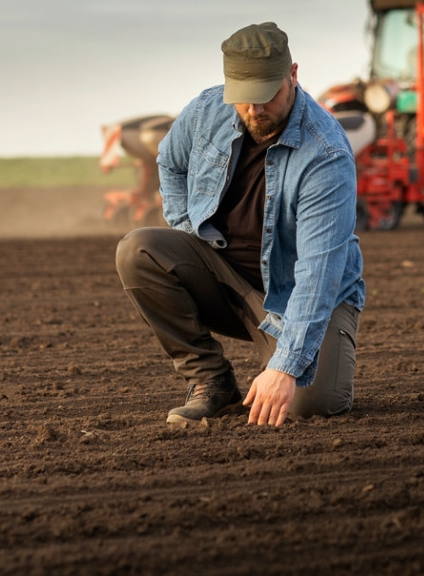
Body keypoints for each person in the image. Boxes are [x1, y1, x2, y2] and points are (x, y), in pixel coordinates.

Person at [115, 22, 365, 427]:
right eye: (244, 98)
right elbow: (170, 161)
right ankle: (212, 381)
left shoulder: (326, 154)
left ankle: (281, 356)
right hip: (226, 275)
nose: (255, 110)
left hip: (298, 292)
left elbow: (318, 274)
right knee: (138, 251)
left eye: (267, 95)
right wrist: (185, 228)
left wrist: (284, 369)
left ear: (293, 75)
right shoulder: (206, 109)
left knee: (311, 407)